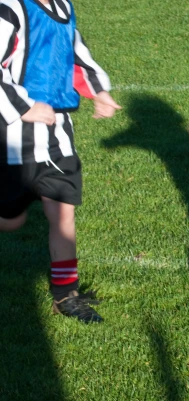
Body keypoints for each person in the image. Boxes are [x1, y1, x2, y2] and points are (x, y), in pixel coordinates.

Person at [0, 0, 121, 323]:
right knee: (11, 221)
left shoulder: (63, 6)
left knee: (62, 213)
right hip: (15, 136)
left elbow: (74, 55)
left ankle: (66, 295)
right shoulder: (10, 7)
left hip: (58, 133)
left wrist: (99, 91)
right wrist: (24, 107)